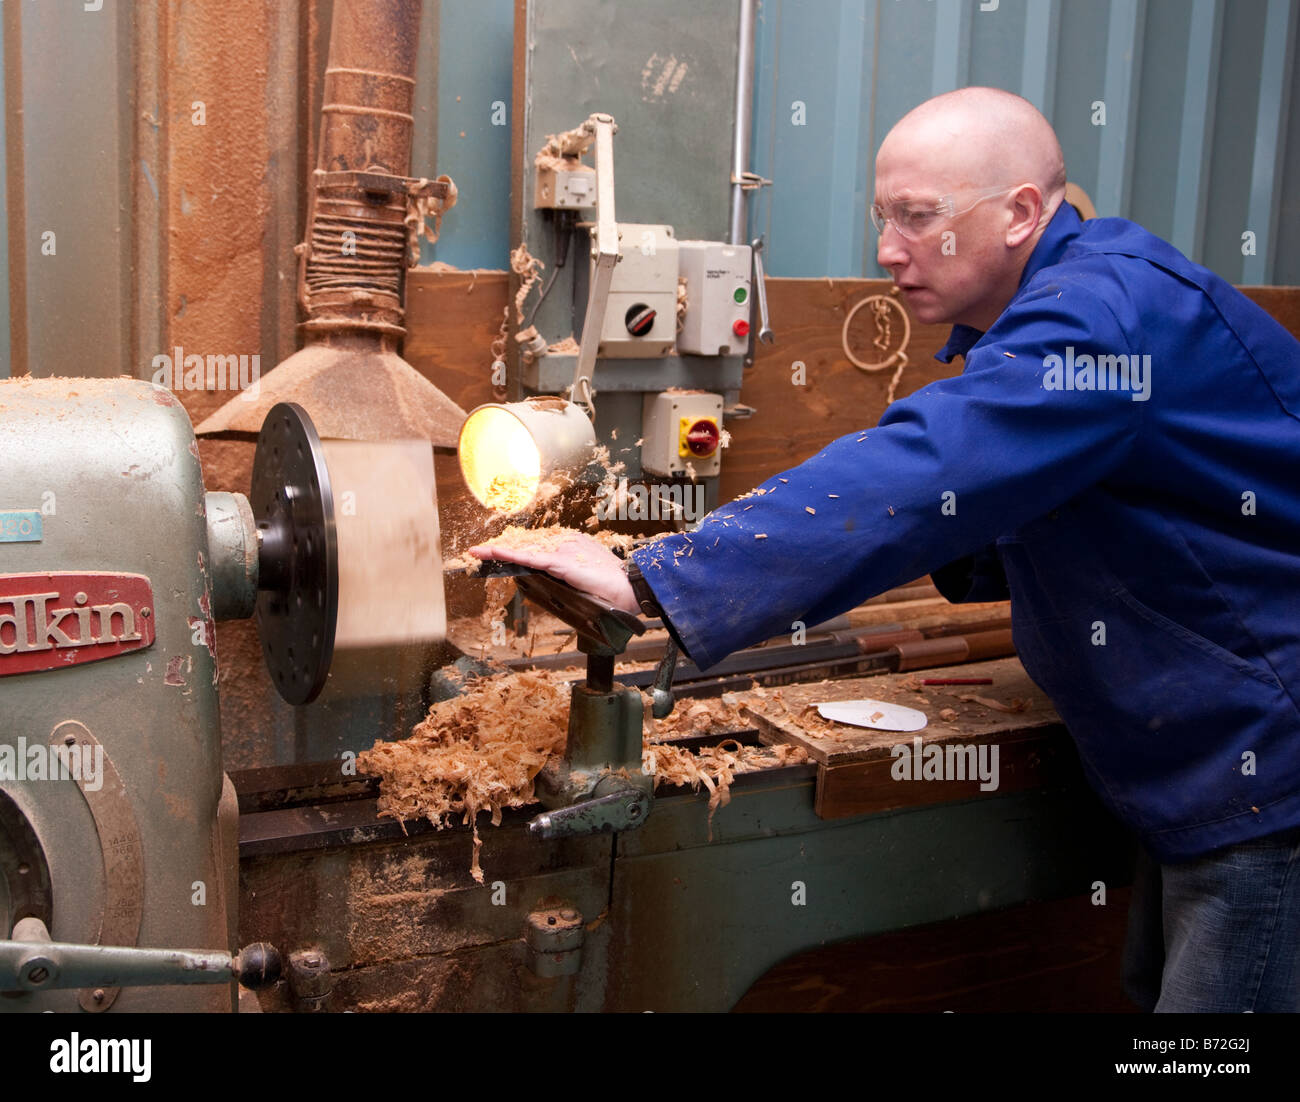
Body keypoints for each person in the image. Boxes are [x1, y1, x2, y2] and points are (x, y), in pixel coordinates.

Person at [471, 87, 1300, 1012]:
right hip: (1205, 769)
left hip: (1271, 763)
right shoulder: (1052, 315)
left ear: (1022, 212)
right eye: (882, 216)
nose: (885, 249)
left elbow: (932, 461)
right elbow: (1056, 504)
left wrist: (650, 577)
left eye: (918, 218)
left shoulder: (1102, 317)